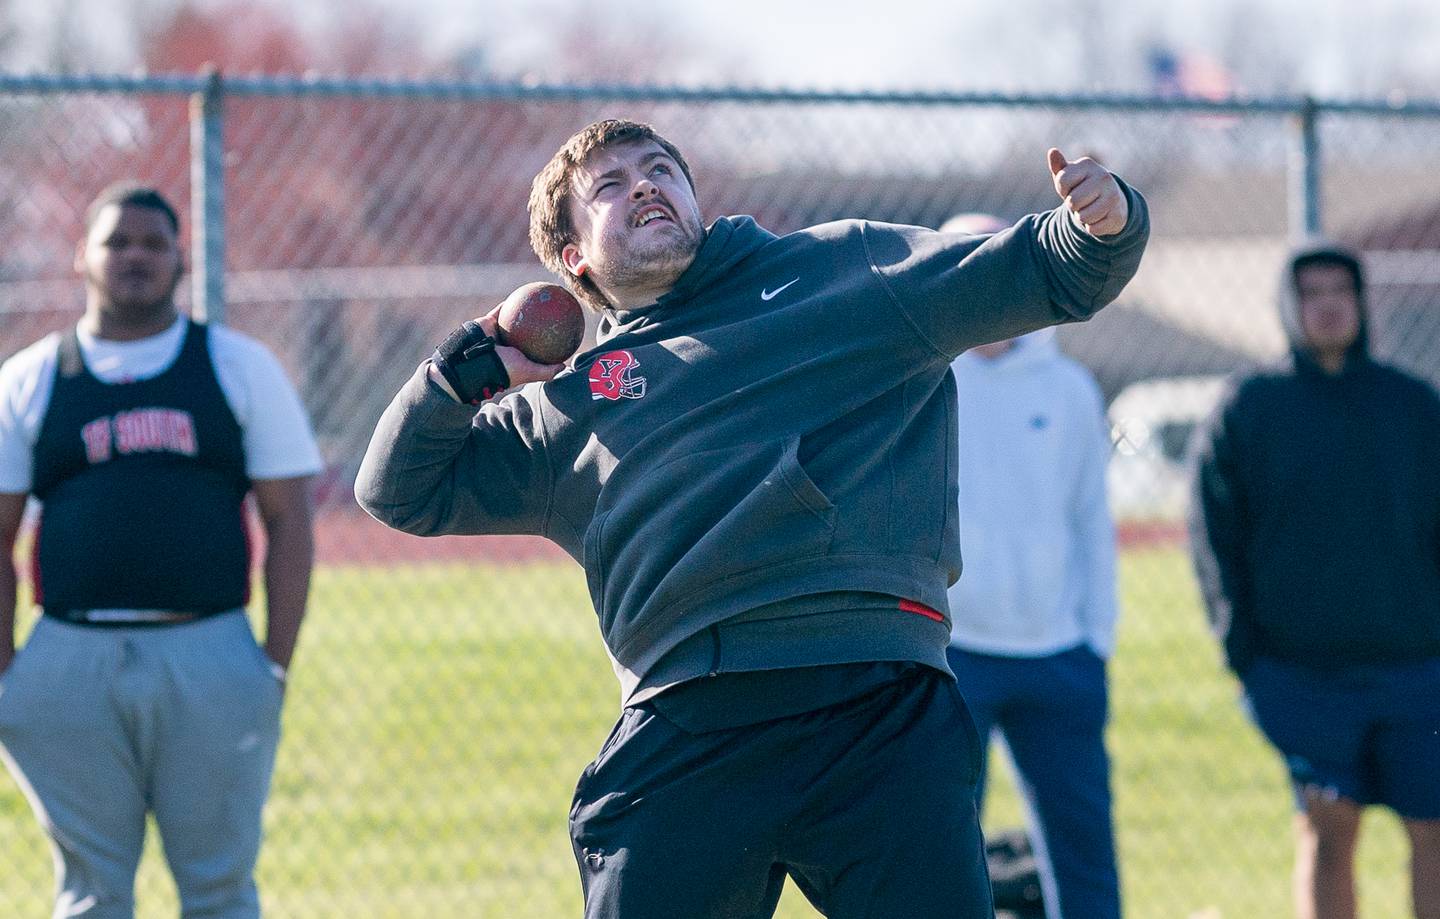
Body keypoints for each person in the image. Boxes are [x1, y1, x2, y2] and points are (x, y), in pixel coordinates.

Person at [356, 118, 1149, 919]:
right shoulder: (571, 409)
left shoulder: (842, 270)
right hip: (689, 715)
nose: (643, 183)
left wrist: (1105, 221)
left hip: (872, 700)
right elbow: (399, 488)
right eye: (608, 184)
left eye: (660, 168)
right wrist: (467, 369)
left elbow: (1046, 271)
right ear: (574, 259)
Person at [0, 183, 321, 919]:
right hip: (68, 656)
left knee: (219, 890)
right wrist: (10, 675)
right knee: (89, 896)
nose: (135, 256)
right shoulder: (32, 377)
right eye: (117, 241)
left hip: (206, 648)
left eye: (153, 243)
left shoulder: (238, 367)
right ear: (82, 255)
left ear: (183, 258)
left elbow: (291, 524)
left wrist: (270, 665)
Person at [1189, 241, 1440, 919]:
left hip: (1418, 666)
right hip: (1300, 672)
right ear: (1289, 307)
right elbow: (1213, 534)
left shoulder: (1413, 405)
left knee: (1435, 828)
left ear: (1361, 302)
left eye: (1340, 290)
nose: (1328, 305)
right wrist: (1243, 651)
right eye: (1311, 293)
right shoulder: (1251, 406)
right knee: (1330, 827)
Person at [944, 211, 1121, 919]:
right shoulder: (922, 376)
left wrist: (1094, 640)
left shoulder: (1070, 387)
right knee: (944, 853)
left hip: (1059, 657)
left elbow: (1091, 521)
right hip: (953, 653)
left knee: (1083, 853)